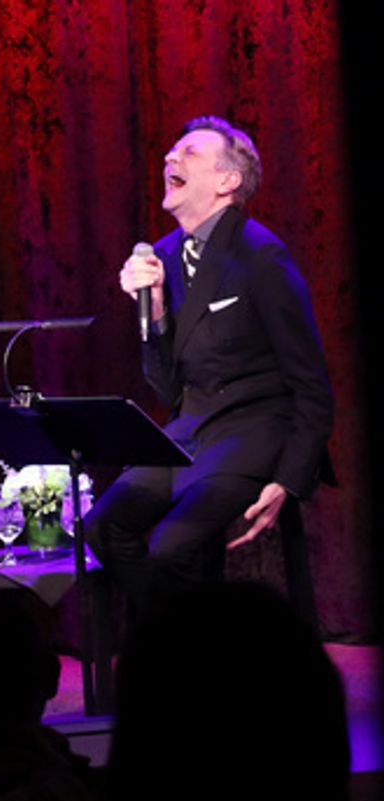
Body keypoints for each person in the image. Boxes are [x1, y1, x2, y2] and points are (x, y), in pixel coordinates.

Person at [85, 116, 333, 615]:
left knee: (171, 549)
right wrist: (152, 309)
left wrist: (289, 478)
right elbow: (166, 386)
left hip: (253, 429)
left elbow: (311, 382)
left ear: (228, 181)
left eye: (190, 153)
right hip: (190, 428)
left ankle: (195, 660)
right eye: (171, 153)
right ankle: (184, 645)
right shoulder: (162, 256)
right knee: (102, 527)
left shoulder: (260, 255)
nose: (169, 159)